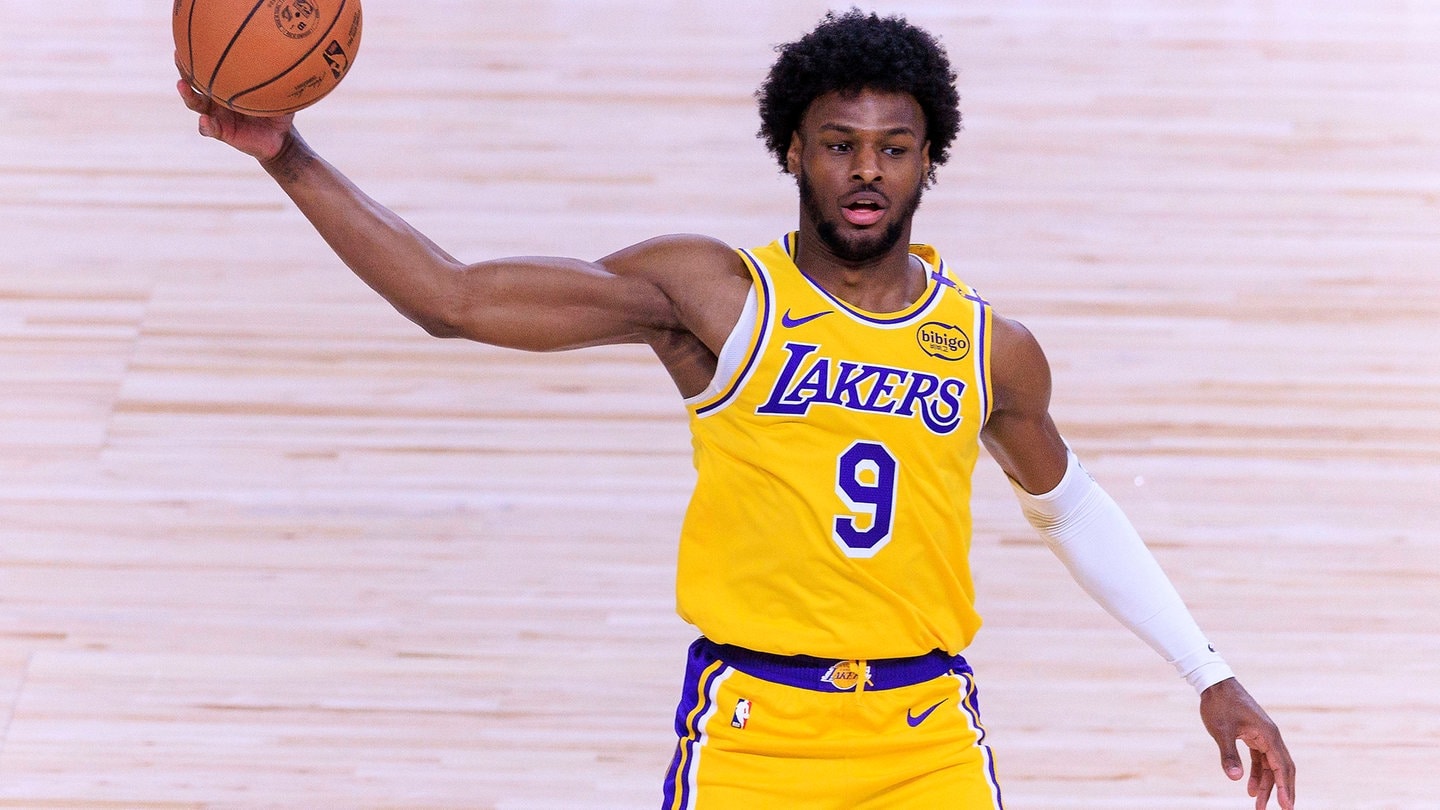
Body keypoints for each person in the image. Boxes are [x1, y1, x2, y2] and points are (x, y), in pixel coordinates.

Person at [178, 9, 1295, 809]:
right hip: (755, 735)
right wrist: (289, 155)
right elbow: (454, 300)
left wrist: (1209, 672)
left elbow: (1072, 505)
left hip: (926, 741)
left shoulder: (988, 348)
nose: (867, 171)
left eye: (894, 150)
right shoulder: (715, 299)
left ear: (927, 162)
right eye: (840, 145)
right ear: (792, 152)